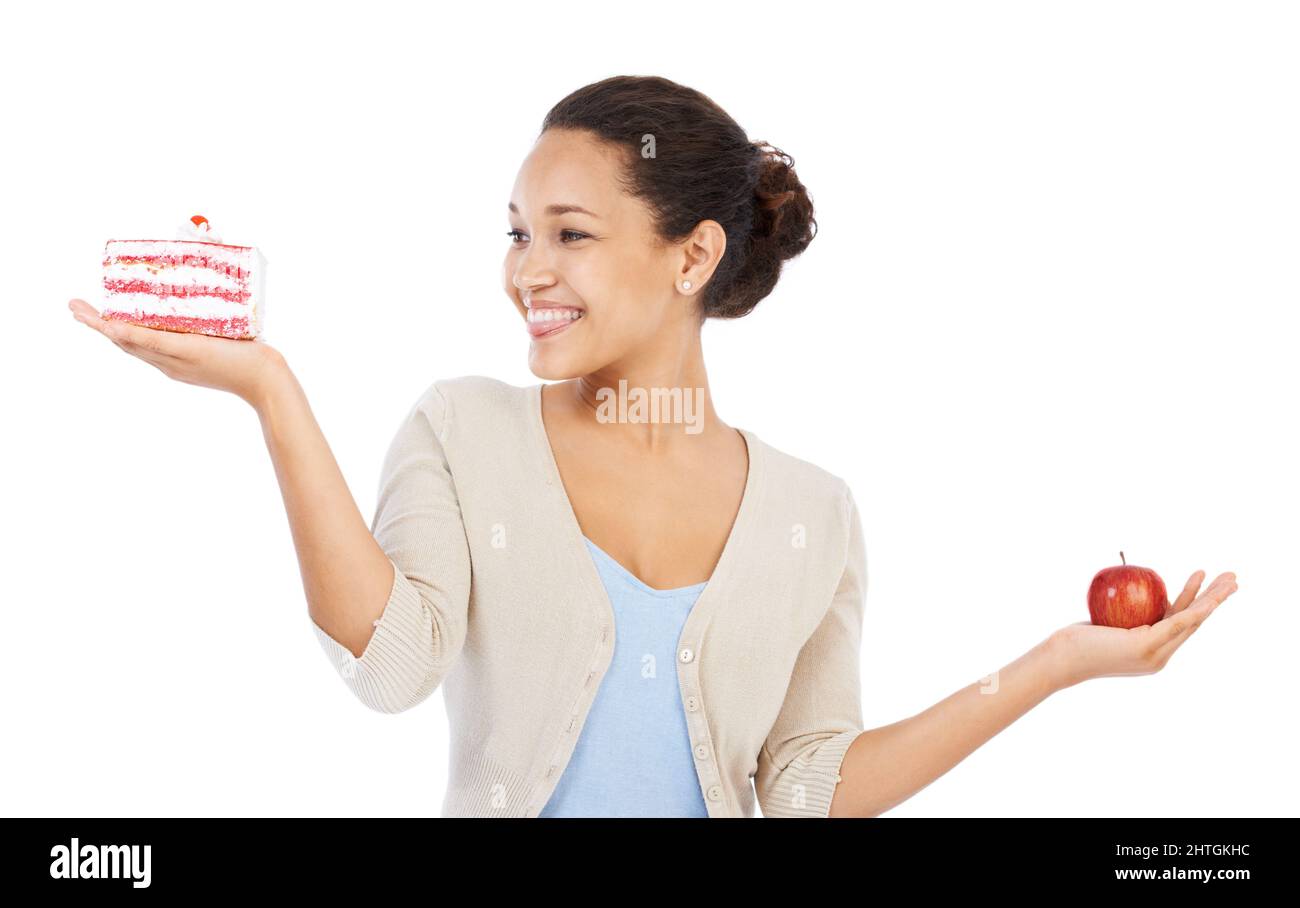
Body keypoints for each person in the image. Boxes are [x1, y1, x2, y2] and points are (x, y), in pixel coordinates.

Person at [68, 75, 1238, 818]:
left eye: (570, 233)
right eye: (518, 231)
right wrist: (273, 393)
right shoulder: (462, 428)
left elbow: (804, 787)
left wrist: (1053, 663)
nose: (528, 267)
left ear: (691, 257)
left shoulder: (812, 510)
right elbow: (393, 665)